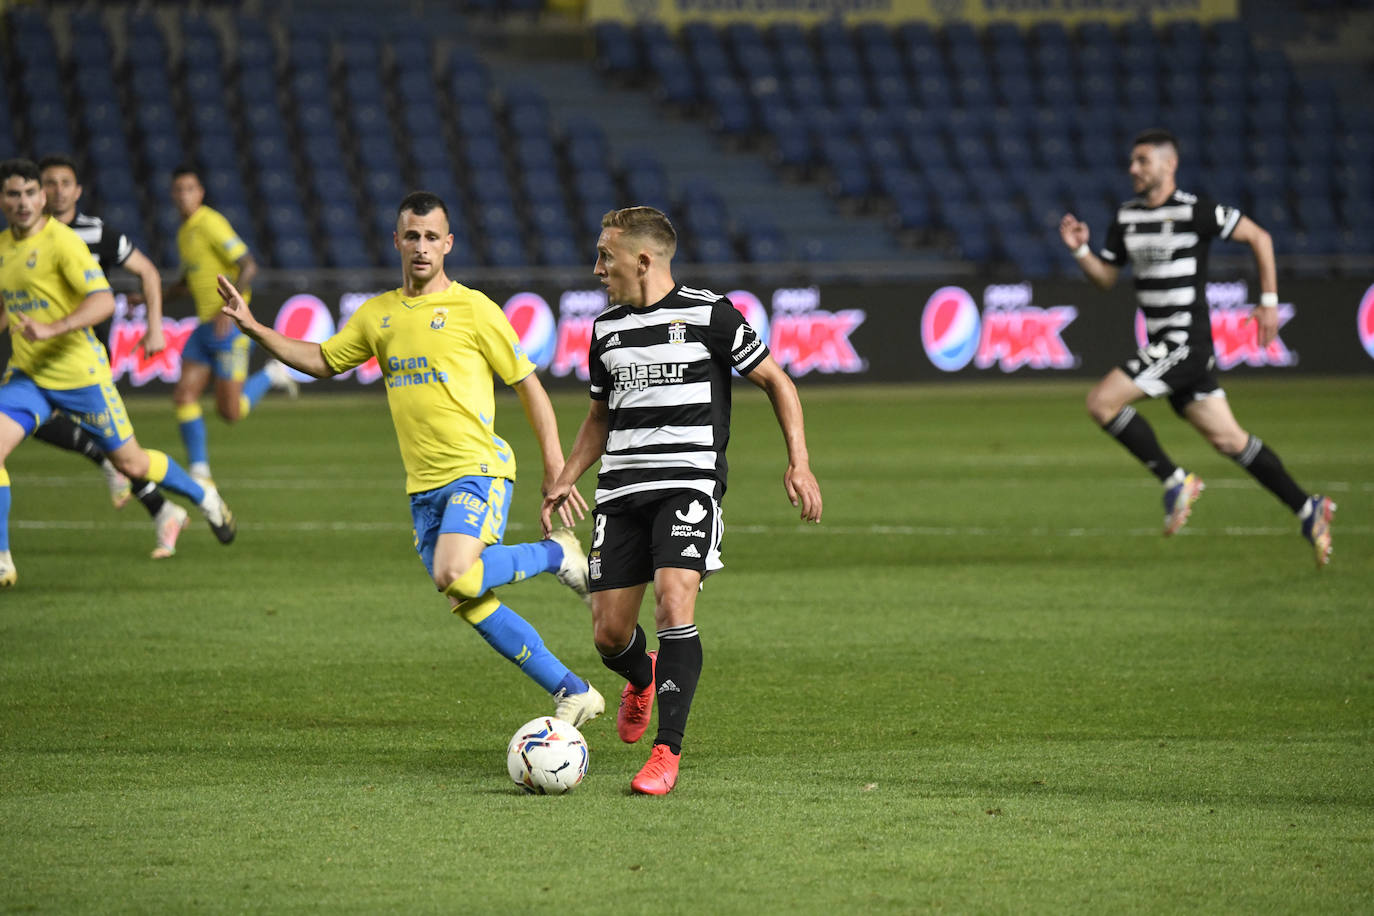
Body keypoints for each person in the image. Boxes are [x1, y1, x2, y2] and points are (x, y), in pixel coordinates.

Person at [216, 190, 605, 727]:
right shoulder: (378, 316)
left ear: (448, 244)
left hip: (479, 469)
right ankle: (573, 690)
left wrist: (555, 470)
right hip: (422, 489)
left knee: (455, 572)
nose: (421, 247)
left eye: (431, 238)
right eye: (412, 236)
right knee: (467, 597)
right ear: (397, 241)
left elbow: (529, 387)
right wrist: (256, 330)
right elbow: (324, 360)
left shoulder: (474, 310)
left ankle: (556, 556)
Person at [539, 206, 823, 795]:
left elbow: (778, 380)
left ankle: (666, 753)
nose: (597, 268)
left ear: (642, 261)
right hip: (620, 491)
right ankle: (641, 679)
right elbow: (599, 416)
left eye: (605, 256)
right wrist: (567, 475)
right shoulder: (606, 329)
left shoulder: (711, 315)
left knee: (674, 603)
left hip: (688, 486)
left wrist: (799, 461)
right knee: (609, 635)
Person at [1059, 128, 1335, 567]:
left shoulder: (1196, 212)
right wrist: (1081, 252)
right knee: (1229, 440)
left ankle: (1174, 480)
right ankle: (1308, 509)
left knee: (1101, 402)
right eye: (1132, 161)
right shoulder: (1127, 217)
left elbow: (1260, 238)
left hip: (1184, 343)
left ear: (1169, 165)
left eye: (1142, 161)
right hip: (1166, 345)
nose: (1133, 168)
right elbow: (1106, 278)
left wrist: (1268, 303)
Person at [0, 158, 236, 587]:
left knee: (131, 461)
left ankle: (202, 495)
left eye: (46, 188)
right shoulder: (4, 246)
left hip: (81, 368)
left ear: (75, 189)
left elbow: (118, 291)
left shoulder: (79, 238)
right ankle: (2, 560)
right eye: (21, 192)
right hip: (29, 372)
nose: (40, 196)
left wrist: (152, 327)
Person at [37, 153, 188, 558]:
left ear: (78, 190)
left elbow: (149, 271)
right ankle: (163, 509)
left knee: (120, 453)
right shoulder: (24, 239)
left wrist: (155, 328)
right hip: (38, 351)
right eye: (49, 182)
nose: (57, 190)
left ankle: (170, 505)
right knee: (27, 418)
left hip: (84, 354)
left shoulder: (97, 233)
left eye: (64, 182)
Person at [167, 164, 294, 485]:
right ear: (173, 195)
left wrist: (230, 308)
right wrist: (148, 298)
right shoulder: (184, 233)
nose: (184, 195)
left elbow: (248, 265)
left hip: (229, 326)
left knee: (230, 413)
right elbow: (185, 282)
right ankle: (200, 471)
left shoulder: (209, 223)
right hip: (204, 328)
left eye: (190, 189)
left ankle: (270, 373)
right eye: (179, 190)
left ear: (201, 193)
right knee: (184, 396)